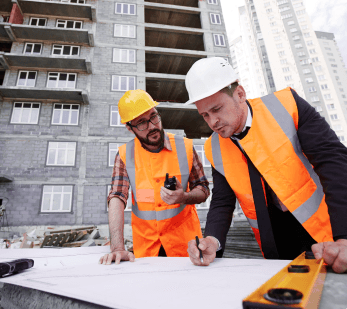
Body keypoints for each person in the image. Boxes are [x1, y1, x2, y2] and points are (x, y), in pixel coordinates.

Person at [185, 57, 347, 273]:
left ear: (240, 94)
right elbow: (223, 201)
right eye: (205, 115)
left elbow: (333, 163)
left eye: (217, 109)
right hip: (276, 245)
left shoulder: (287, 105)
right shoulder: (214, 147)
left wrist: (344, 235)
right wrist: (213, 240)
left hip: (329, 232)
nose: (212, 121)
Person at [99, 89, 210, 265]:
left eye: (153, 116)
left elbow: (203, 189)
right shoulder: (124, 155)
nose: (152, 126)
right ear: (129, 127)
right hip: (147, 251)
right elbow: (117, 198)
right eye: (142, 123)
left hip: (187, 249)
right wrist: (117, 248)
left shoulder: (185, 147)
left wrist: (185, 197)